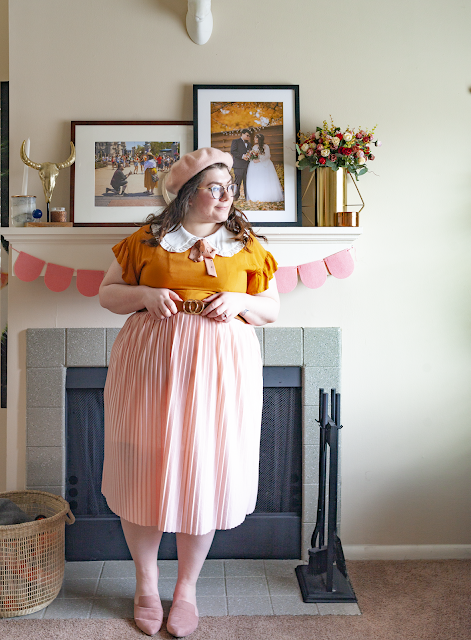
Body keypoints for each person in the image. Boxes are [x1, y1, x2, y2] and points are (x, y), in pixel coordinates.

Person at [99, 147, 279, 637]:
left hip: (221, 372)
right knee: (144, 467)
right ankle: (145, 583)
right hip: (152, 368)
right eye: (213, 187)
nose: (225, 197)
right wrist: (143, 294)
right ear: (185, 193)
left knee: (201, 471)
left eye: (230, 188)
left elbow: (271, 309)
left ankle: (186, 591)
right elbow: (107, 294)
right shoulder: (148, 240)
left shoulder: (245, 244)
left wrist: (242, 299)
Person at [246, 133, 284, 203]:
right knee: (256, 180)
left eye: (256, 138)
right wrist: (253, 159)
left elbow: (267, 156)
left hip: (264, 164)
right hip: (255, 165)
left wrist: (259, 160)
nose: (254, 139)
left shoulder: (266, 146)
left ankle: (266, 196)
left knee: (265, 180)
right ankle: (256, 196)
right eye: (254, 138)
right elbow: (253, 155)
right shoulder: (254, 147)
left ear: (259, 139)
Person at [230, 129, 251, 200]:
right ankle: (235, 197)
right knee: (237, 182)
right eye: (247, 135)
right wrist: (242, 156)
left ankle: (247, 197)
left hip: (248, 166)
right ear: (242, 134)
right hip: (238, 166)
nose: (248, 137)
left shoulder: (249, 144)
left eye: (249, 136)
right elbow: (233, 151)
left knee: (247, 183)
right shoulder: (235, 141)